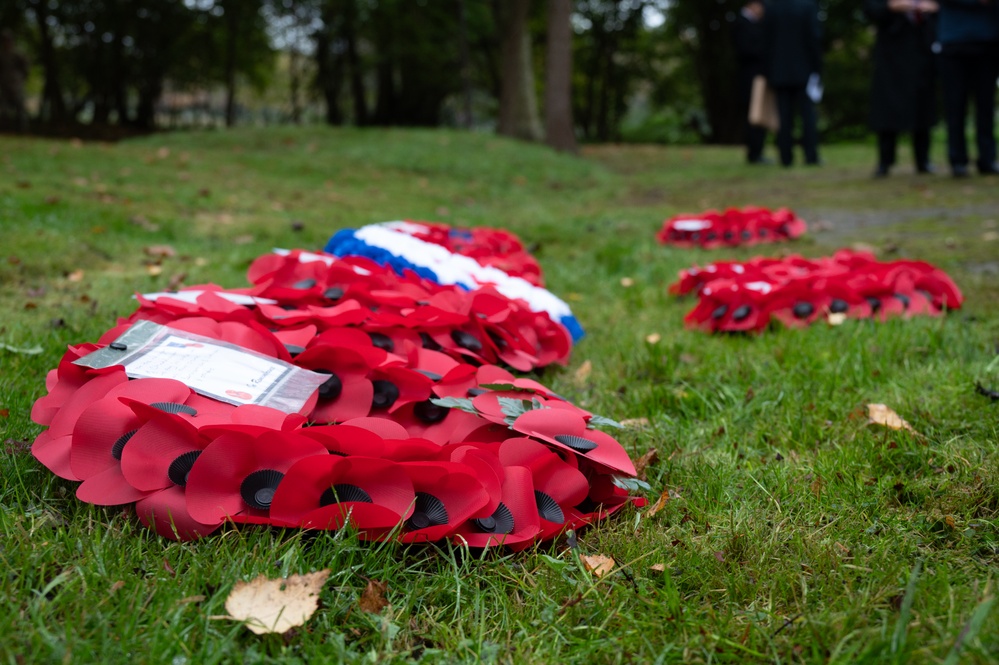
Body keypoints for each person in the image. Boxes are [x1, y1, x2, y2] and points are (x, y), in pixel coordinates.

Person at [864, 0, 940, 177]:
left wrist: (934, 8)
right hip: (891, 56)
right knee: (887, 109)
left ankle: (923, 160)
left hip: (922, 53)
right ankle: (885, 161)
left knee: (922, 108)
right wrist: (891, 7)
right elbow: (870, 10)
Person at [937, 1, 999, 177]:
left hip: (988, 42)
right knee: (955, 105)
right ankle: (957, 160)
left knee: (985, 105)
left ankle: (987, 158)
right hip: (954, 43)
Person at [764, 0, 823, 167]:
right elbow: (814, 37)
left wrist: (769, 71)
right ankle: (811, 156)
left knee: (784, 117)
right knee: (808, 116)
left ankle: (785, 157)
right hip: (803, 70)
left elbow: (766, 42)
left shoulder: (772, 8)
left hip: (779, 72)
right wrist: (817, 68)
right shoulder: (807, 7)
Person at [734, 1, 770, 164]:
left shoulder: (752, 23)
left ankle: (757, 151)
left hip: (755, 77)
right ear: (754, 4)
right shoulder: (741, 23)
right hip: (750, 78)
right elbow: (745, 50)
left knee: (758, 115)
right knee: (754, 116)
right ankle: (754, 153)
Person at [0, 29, 28, 133]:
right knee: (4, 109)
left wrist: (20, 79)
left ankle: (22, 130)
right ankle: (5, 130)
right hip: (4, 84)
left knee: (20, 108)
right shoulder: (1, 55)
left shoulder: (17, 54)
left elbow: (25, 68)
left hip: (17, 84)